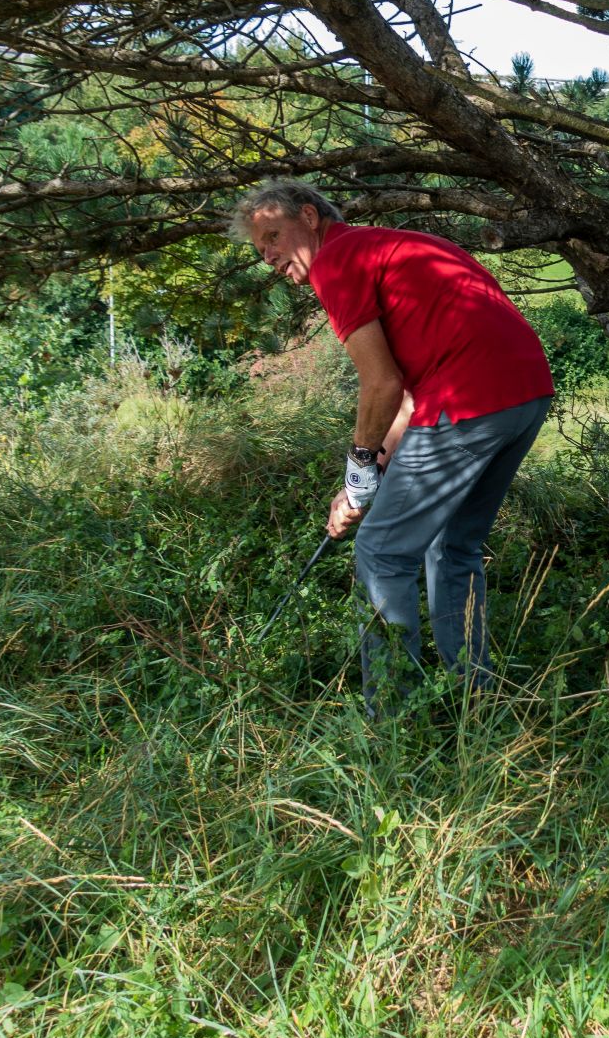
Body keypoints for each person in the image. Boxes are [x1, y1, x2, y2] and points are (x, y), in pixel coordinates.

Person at [231, 180, 553, 697]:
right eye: (259, 247)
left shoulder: (337, 263)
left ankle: (393, 726)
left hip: (469, 399)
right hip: (525, 394)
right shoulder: (383, 246)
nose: (268, 254)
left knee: (382, 551)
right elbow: (405, 396)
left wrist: (358, 466)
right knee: (452, 546)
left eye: (273, 236)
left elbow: (380, 383)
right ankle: (478, 697)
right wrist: (365, 476)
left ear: (310, 217)